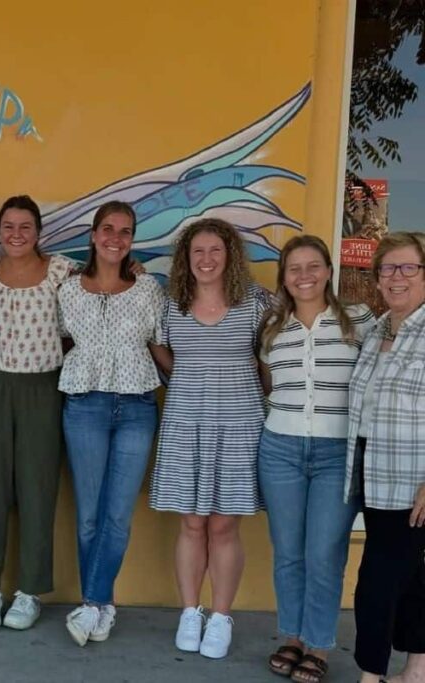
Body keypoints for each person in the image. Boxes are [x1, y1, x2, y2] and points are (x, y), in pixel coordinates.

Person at [149, 218, 270, 659]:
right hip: (186, 419)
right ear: (186, 258)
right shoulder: (171, 304)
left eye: (215, 250)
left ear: (230, 255)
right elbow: (159, 347)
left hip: (238, 422)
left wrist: (255, 392)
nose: (206, 259)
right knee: (192, 522)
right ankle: (189, 611)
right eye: (197, 251)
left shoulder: (256, 303)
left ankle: (220, 616)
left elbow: (270, 357)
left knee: (222, 524)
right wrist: (184, 376)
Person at [258, 235, 372, 682]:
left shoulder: (359, 321)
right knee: (288, 552)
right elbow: (269, 385)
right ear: (283, 278)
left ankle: (319, 643)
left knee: (324, 552)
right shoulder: (271, 325)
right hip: (280, 449)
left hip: (337, 453)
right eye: (293, 269)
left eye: (312, 266)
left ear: (328, 270)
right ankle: (292, 637)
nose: (303, 275)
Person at [57, 201, 163, 646]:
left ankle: (93, 604)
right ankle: (100, 604)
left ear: (132, 239)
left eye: (125, 231)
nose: (115, 238)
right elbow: (57, 343)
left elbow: (161, 345)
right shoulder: (67, 290)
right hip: (84, 406)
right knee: (88, 517)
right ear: (93, 234)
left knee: (117, 516)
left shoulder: (148, 289)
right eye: (107, 229)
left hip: (137, 405)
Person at [0, 195, 74, 631]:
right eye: (8, 226)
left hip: (42, 387)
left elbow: (81, 320)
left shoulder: (62, 272)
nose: (16, 234)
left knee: (37, 487)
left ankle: (29, 591)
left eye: (25, 226)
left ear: (38, 231)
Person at [346, 232, 425, 683]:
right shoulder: (374, 331)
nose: (396, 278)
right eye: (387, 269)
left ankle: (370, 674)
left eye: (408, 268)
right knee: (412, 575)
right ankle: (417, 669)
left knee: (377, 579)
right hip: (370, 471)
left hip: (412, 480)